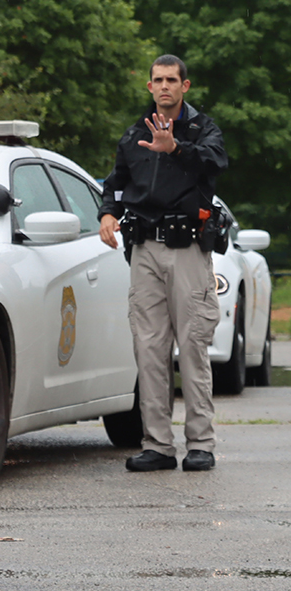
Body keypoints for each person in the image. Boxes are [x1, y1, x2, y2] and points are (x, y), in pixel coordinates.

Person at [98, 54, 227, 473]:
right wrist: (107, 213)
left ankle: (200, 444)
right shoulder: (135, 132)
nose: (165, 86)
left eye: (172, 79)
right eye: (158, 80)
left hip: (187, 247)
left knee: (192, 347)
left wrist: (176, 149)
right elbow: (115, 181)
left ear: (185, 86)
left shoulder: (202, 129)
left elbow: (215, 163)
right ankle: (157, 444)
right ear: (149, 85)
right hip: (145, 249)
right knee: (149, 348)